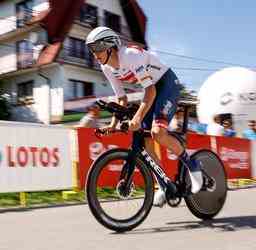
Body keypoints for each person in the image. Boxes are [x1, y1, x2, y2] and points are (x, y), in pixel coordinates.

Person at [85, 26, 203, 207]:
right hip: (151, 92)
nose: (94, 54)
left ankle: (193, 166)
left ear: (109, 47)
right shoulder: (107, 68)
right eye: (91, 50)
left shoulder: (130, 55)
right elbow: (122, 99)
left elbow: (150, 90)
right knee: (146, 142)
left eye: (97, 49)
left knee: (157, 132)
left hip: (166, 84)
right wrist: (113, 124)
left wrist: (137, 118)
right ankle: (164, 186)